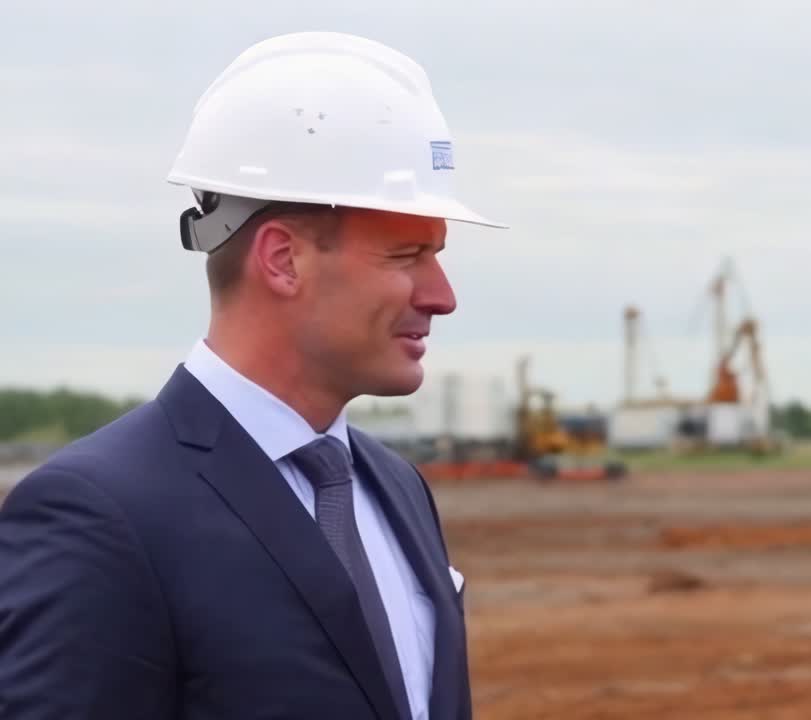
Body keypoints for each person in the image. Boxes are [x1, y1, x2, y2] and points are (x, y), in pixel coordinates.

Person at [0, 32, 505, 719]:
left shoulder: (397, 488)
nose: (441, 294)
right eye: (407, 254)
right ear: (282, 260)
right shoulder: (101, 515)